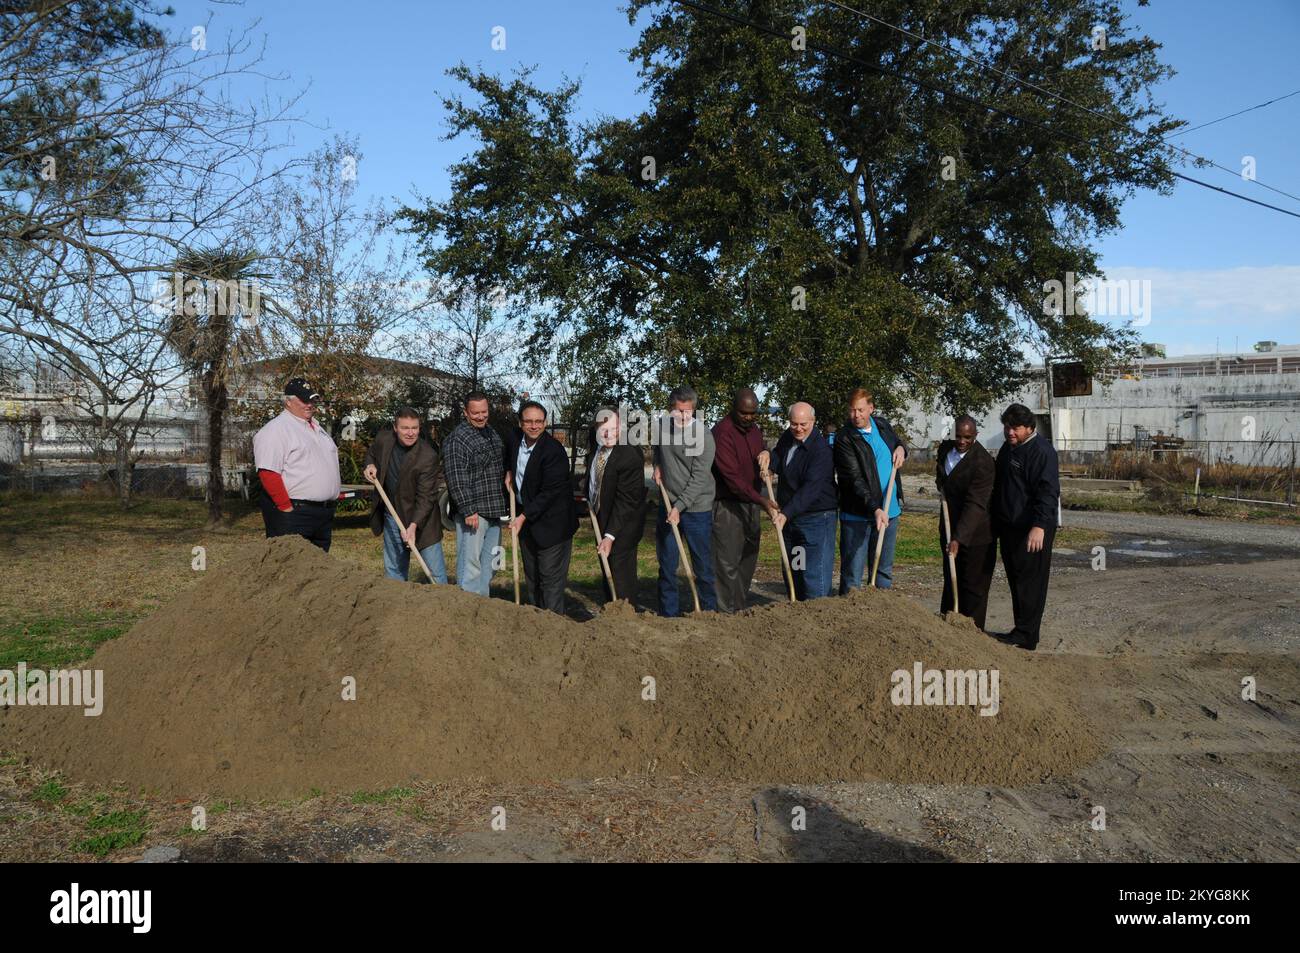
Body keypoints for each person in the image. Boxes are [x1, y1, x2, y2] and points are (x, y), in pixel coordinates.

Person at [991, 403, 1061, 650]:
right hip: (1010, 527)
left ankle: (1028, 634)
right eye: (1007, 427)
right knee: (1016, 579)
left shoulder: (1042, 452)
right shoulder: (1009, 449)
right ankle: (1020, 628)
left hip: (1032, 530)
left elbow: (1048, 492)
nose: (1010, 432)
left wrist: (1040, 525)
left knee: (1031, 582)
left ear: (1029, 427)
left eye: (1015, 427)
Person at [253, 378, 341, 551]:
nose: (309, 404)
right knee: (289, 569)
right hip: (295, 514)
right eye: (303, 400)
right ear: (287, 401)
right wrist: (285, 507)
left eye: (311, 400)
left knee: (319, 570)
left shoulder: (316, 428)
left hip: (322, 515)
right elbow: (268, 472)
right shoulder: (276, 430)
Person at [506, 400, 578, 614]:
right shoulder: (513, 438)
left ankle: (554, 625)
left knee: (550, 579)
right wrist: (507, 471)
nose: (534, 426)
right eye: (529, 421)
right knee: (532, 576)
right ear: (520, 423)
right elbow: (509, 457)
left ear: (545, 423)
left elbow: (549, 493)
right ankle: (536, 622)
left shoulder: (553, 452)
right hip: (528, 523)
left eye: (539, 421)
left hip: (553, 524)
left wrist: (522, 517)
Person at [711, 387, 779, 611]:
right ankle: (723, 613)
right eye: (744, 413)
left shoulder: (754, 430)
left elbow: (760, 453)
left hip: (751, 503)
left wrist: (766, 457)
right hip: (728, 506)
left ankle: (738, 608)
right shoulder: (722, 433)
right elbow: (732, 479)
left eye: (753, 413)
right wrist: (761, 501)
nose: (749, 418)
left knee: (748, 559)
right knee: (727, 564)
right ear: (734, 408)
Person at [362, 407, 448, 584]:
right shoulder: (384, 440)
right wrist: (370, 465)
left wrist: (413, 525)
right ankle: (397, 606)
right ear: (395, 428)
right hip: (392, 515)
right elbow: (371, 453)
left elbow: (426, 497)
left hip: (422, 520)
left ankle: (443, 607)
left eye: (414, 428)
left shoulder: (427, 456)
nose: (410, 433)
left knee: (436, 574)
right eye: (405, 428)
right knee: (394, 571)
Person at [652, 386, 717, 615]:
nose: (682, 416)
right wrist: (658, 464)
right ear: (670, 410)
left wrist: (679, 507)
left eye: (687, 411)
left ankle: (708, 612)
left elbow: (699, 478)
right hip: (668, 504)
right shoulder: (661, 427)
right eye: (678, 411)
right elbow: (657, 448)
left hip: (697, 507)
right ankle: (668, 614)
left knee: (702, 565)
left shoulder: (704, 436)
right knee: (667, 564)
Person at [835, 388, 907, 591]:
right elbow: (854, 480)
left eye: (860, 410)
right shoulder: (845, 438)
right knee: (852, 574)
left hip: (889, 512)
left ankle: (881, 617)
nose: (856, 416)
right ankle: (852, 615)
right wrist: (875, 508)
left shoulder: (882, 425)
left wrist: (902, 449)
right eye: (852, 410)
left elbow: (897, 443)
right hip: (858, 515)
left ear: (871, 408)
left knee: (883, 570)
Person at [767, 401, 838, 600]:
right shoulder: (788, 438)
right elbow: (778, 454)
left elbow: (810, 489)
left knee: (813, 575)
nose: (798, 429)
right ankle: (797, 614)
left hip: (815, 519)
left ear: (813, 422)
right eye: (794, 424)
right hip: (792, 519)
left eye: (803, 424)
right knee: (796, 569)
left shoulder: (821, 450)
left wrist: (785, 514)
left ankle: (817, 617)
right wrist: (769, 461)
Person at [442, 391, 507, 596]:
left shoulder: (491, 433)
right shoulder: (457, 439)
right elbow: (456, 477)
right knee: (470, 565)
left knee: (491, 564)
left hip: (494, 509)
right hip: (474, 514)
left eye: (484, 412)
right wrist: (468, 510)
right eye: (475, 413)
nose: (480, 416)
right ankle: (466, 607)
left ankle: (483, 605)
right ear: (466, 412)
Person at [935, 415, 996, 629]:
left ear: (976, 436)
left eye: (967, 437)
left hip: (976, 534)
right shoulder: (945, 449)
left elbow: (975, 504)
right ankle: (947, 626)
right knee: (951, 581)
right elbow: (941, 475)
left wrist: (958, 539)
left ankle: (972, 633)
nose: (962, 441)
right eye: (958, 436)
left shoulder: (983, 463)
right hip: (949, 526)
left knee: (972, 586)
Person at [588, 408, 645, 606]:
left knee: (621, 576)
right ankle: (611, 610)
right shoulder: (597, 449)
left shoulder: (628, 454)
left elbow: (627, 501)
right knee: (607, 569)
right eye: (603, 429)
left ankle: (626, 617)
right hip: (604, 519)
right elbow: (597, 481)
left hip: (623, 526)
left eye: (613, 428)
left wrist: (610, 535)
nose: (608, 434)